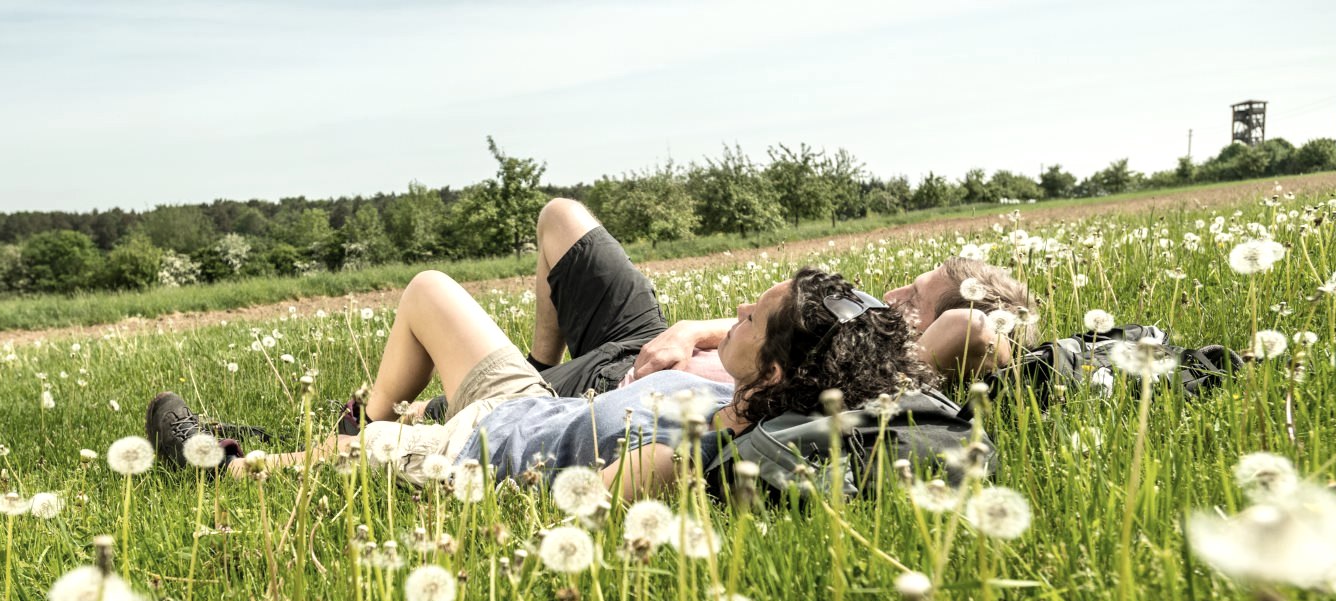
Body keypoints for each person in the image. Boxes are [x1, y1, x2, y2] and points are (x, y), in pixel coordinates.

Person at [148, 257, 947, 503]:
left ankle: (220, 464)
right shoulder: (755, 391)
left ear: (774, 369)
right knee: (428, 290)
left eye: (748, 319)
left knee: (335, 464)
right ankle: (355, 423)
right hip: (529, 404)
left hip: (475, 453)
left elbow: (589, 504)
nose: (735, 310)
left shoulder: (712, 445)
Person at [407, 198, 1036, 422]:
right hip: (657, 340)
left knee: (437, 411)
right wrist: (691, 329)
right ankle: (536, 361)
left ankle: (388, 418)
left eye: (914, 301)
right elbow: (757, 325)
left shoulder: (885, 376)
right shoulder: (858, 318)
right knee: (562, 219)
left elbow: (975, 333)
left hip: (622, 385)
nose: (894, 294)